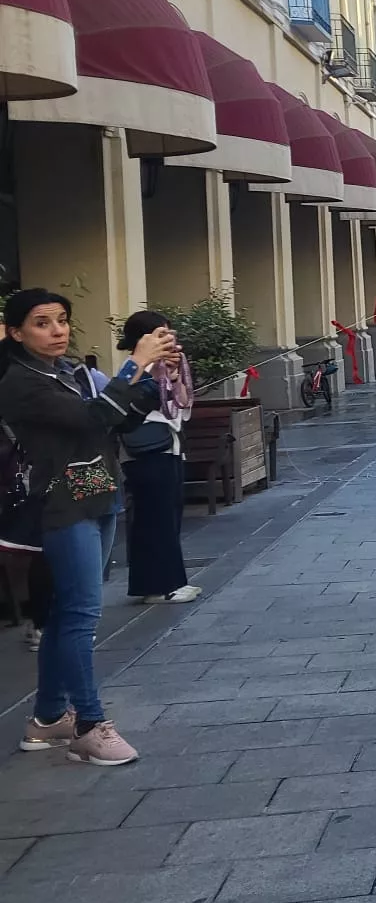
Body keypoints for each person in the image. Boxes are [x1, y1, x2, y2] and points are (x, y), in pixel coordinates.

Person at [0, 288, 177, 765]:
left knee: (66, 616)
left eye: (61, 320)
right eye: (42, 322)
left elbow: (113, 423)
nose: (57, 330)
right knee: (80, 615)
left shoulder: (66, 371)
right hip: (59, 503)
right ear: (15, 332)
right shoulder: (21, 382)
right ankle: (88, 723)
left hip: (97, 491)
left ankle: (47, 718)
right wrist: (131, 366)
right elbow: (90, 416)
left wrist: (156, 375)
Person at [115, 311, 198, 605]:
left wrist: (175, 376)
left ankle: (161, 583)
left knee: (168, 516)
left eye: (169, 334)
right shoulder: (131, 369)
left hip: (169, 446)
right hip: (146, 452)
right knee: (155, 518)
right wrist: (154, 376)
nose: (169, 341)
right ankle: (165, 585)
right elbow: (128, 404)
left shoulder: (166, 365)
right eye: (161, 335)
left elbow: (182, 402)